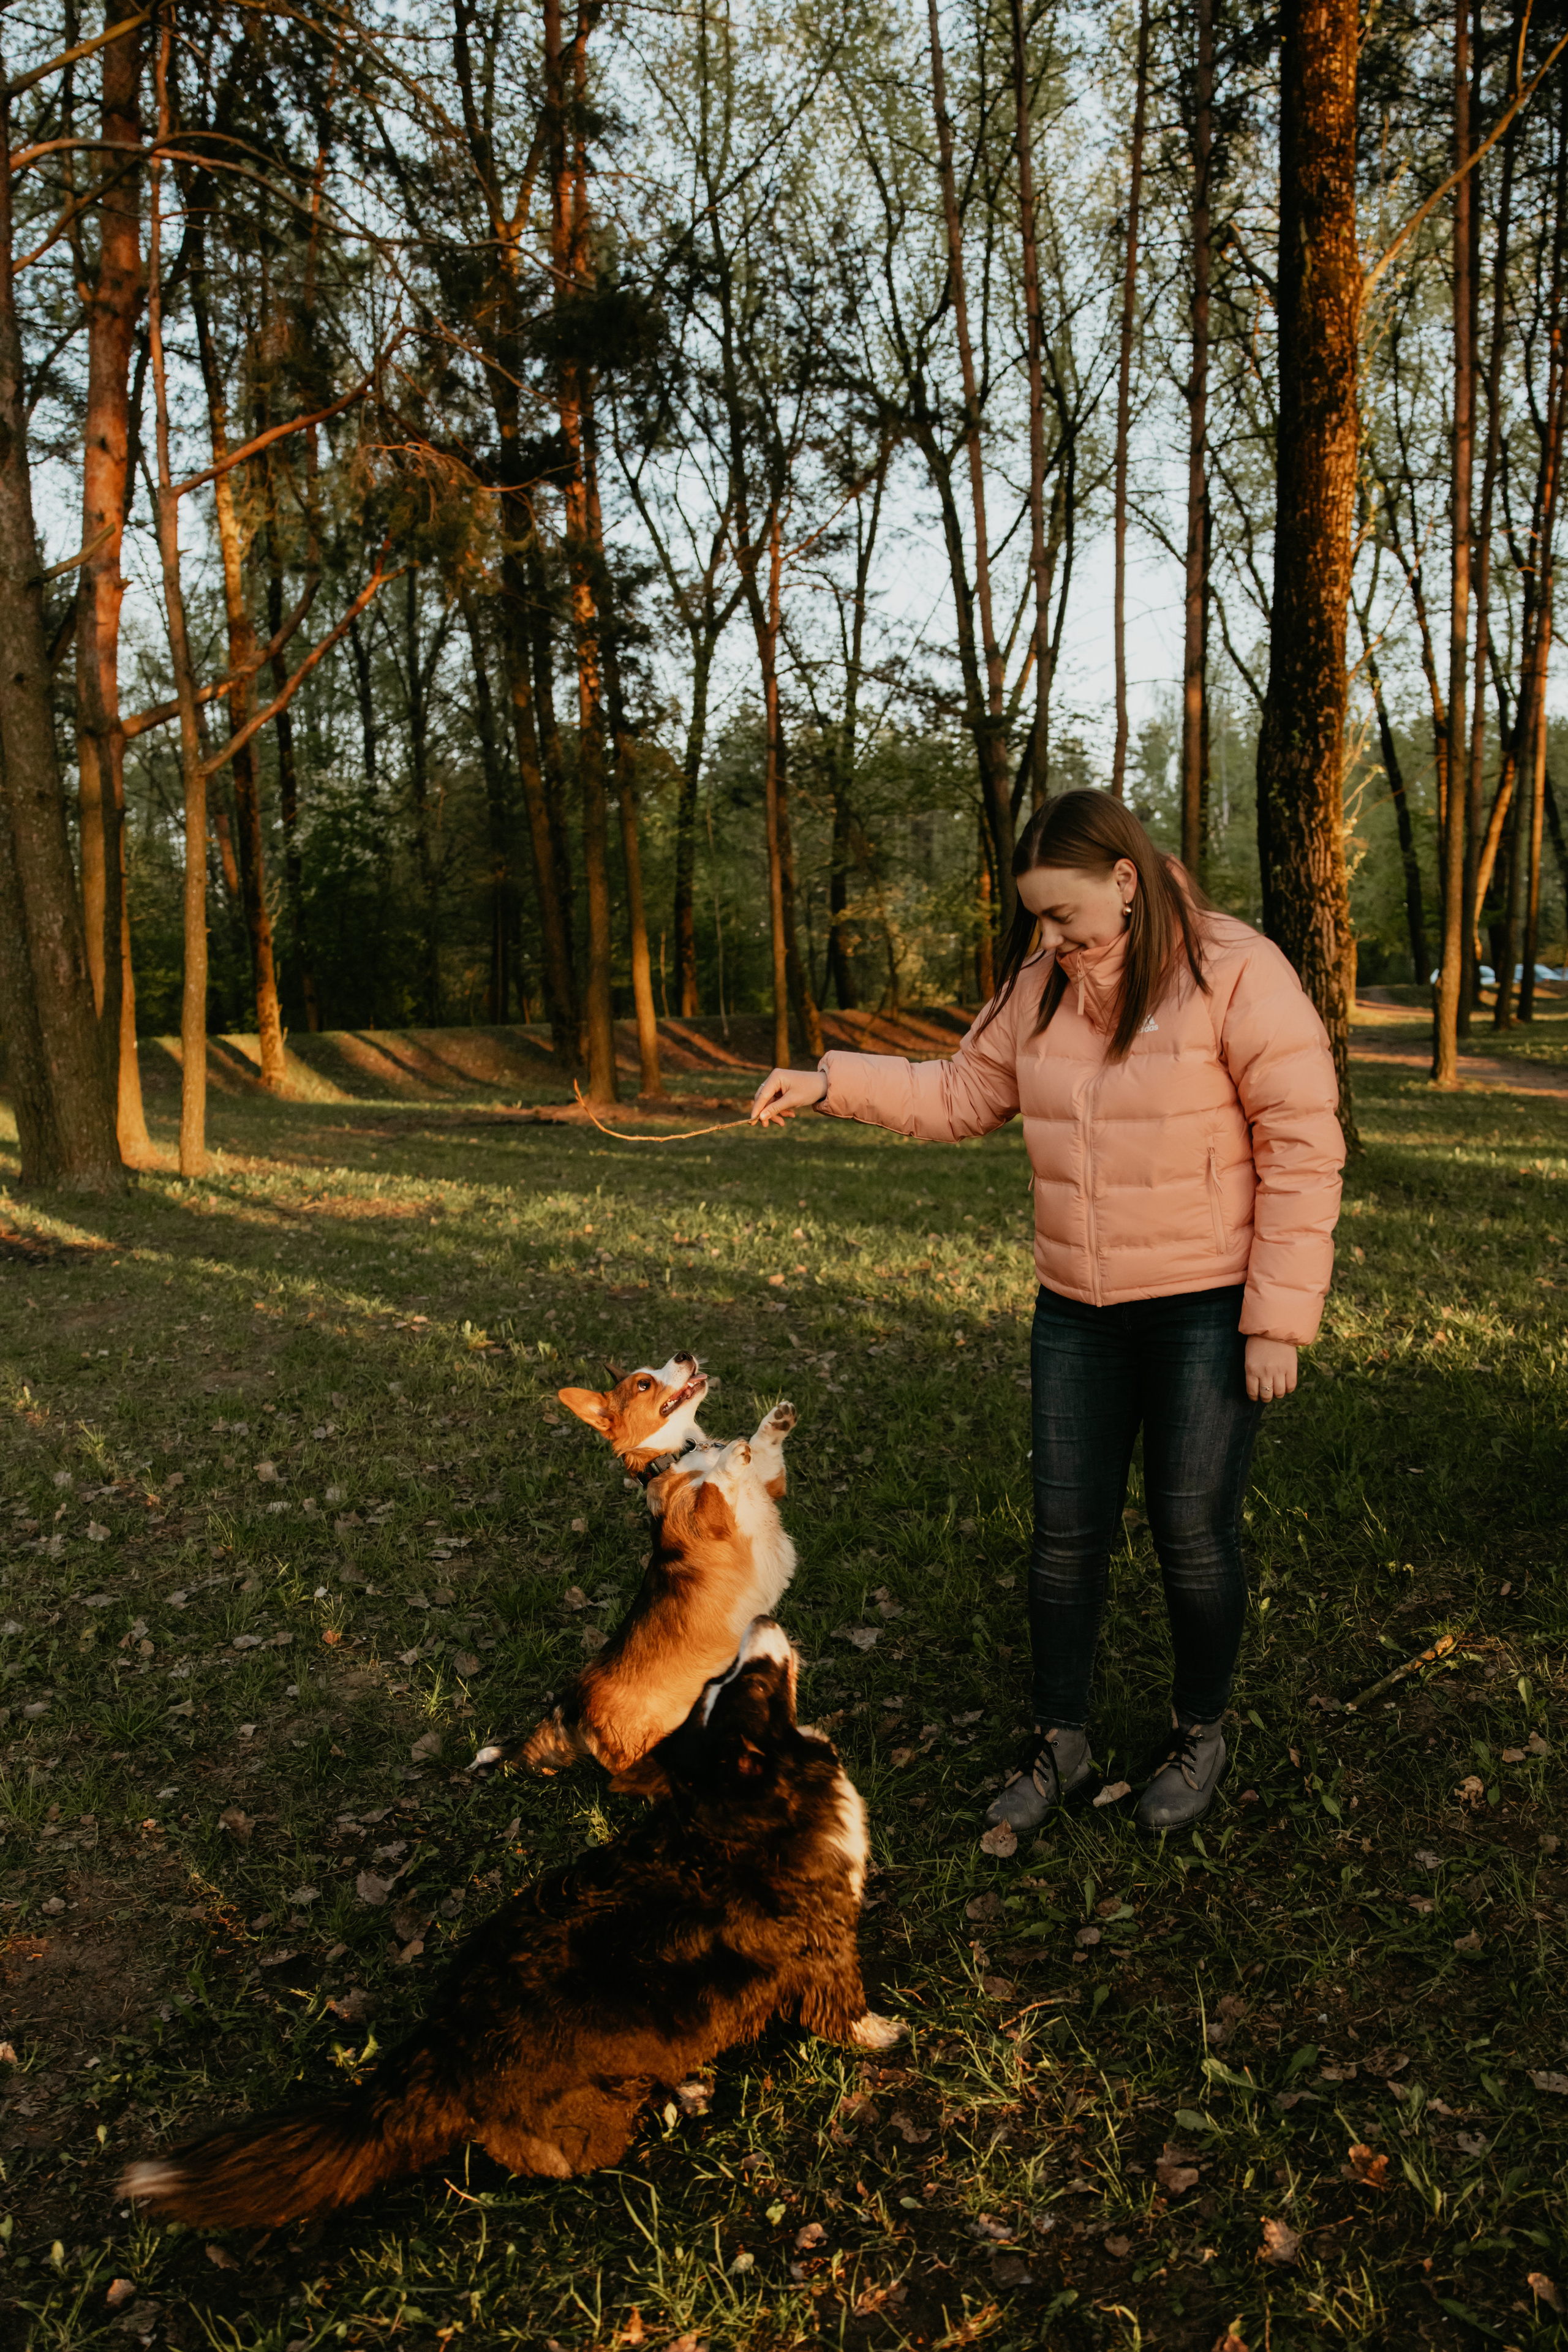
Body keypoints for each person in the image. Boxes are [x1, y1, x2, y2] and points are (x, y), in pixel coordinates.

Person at [750, 790, 1344, 1834]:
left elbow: (1302, 1143)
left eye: (1065, 915)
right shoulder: (1043, 982)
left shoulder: (1239, 970)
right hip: (1076, 1308)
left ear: (1125, 881)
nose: (1051, 938)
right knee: (1063, 1541)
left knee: (1191, 1536)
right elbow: (958, 1094)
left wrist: (1275, 1319)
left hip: (1206, 1307)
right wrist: (827, 1083)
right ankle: (1060, 1742)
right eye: (1039, 918)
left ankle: (1200, 1731)